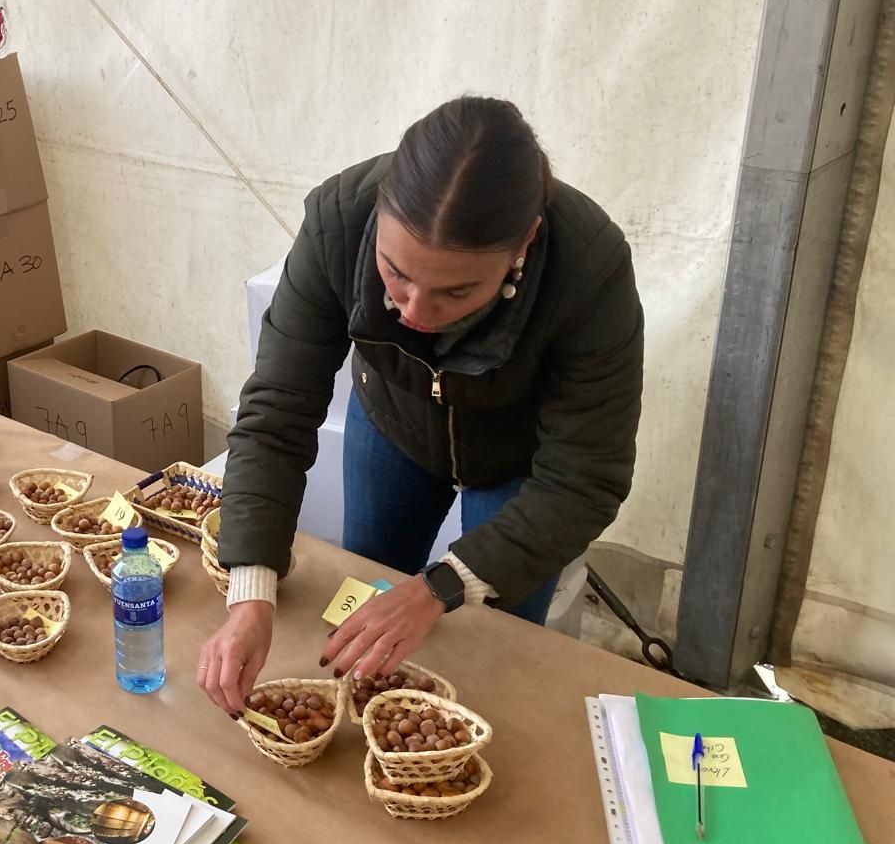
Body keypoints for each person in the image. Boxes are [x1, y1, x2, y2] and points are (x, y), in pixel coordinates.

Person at [198, 97, 643, 718]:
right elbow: (276, 413)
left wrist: (442, 586)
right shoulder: (338, 219)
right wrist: (250, 595)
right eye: (395, 273)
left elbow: (585, 477)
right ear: (378, 214)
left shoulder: (588, 267)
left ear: (525, 243)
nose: (413, 311)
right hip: (395, 423)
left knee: (493, 642)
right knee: (368, 594)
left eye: (457, 291)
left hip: (519, 463)